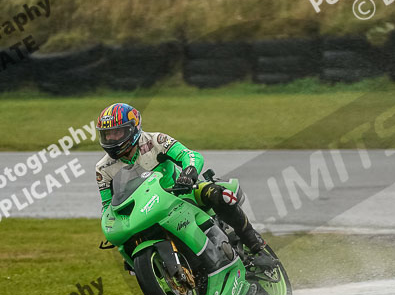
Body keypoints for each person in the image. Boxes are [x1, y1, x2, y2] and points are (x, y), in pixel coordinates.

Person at [94, 102, 267, 254]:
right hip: (145, 211)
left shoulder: (156, 140)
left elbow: (190, 155)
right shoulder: (103, 169)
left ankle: (252, 239)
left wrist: (188, 173)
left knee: (217, 194)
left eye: (117, 132)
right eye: (107, 134)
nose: (111, 139)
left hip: (181, 193)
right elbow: (107, 207)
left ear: (133, 128)